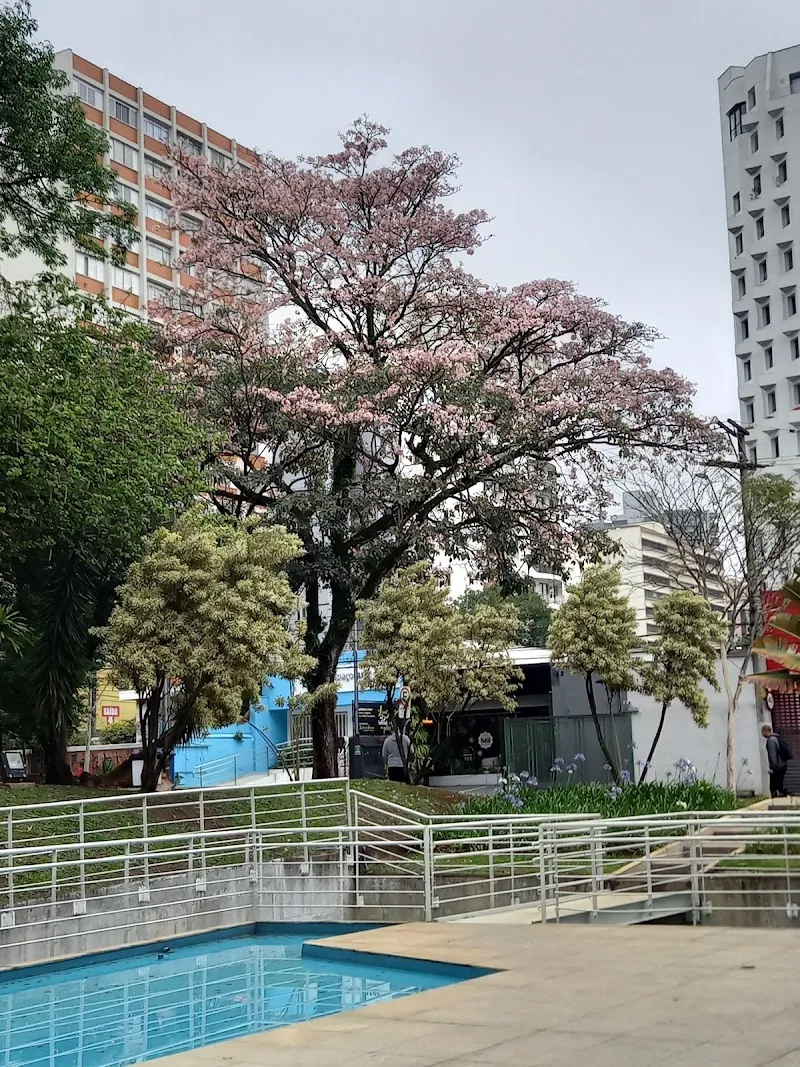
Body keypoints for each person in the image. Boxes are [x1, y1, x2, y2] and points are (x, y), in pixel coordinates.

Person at [762, 723, 790, 798]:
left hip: (777, 767)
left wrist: (772, 768)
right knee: (779, 786)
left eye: (762, 731)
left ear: (765, 731)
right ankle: (783, 798)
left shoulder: (771, 740)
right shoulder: (776, 738)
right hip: (782, 765)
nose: (762, 734)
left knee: (774, 788)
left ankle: (777, 803)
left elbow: (772, 755)